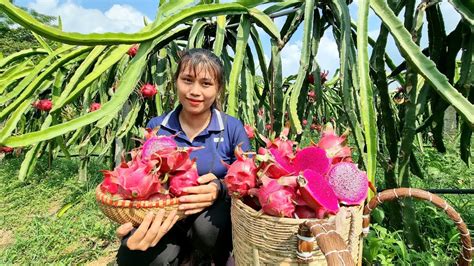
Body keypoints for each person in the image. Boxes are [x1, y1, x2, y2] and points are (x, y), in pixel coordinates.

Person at [115, 48, 251, 266]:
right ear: (175, 81)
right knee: (130, 256)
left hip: (214, 221)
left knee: (207, 231)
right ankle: (183, 255)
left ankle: (211, 257)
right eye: (187, 80)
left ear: (218, 89)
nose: (195, 91)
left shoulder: (232, 127)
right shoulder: (157, 128)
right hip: (165, 218)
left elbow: (249, 179)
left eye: (206, 84)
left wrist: (220, 188)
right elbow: (140, 176)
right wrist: (131, 219)